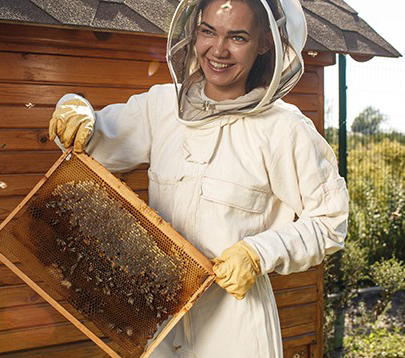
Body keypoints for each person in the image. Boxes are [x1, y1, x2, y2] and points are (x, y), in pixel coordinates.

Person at [48, 0, 348, 356]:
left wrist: (258, 253)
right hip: (159, 314)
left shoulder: (284, 129)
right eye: (208, 31)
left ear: (266, 42)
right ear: (194, 30)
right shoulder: (162, 107)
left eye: (237, 37)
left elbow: (330, 221)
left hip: (235, 328)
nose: (217, 50)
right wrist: (76, 108)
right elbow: (94, 140)